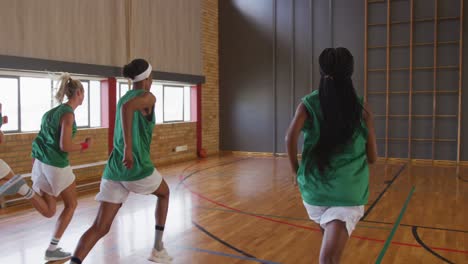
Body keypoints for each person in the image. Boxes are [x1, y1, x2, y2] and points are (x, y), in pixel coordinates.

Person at [70, 59, 172, 264]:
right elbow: (128, 109)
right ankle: (158, 248)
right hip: (136, 167)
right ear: (148, 78)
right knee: (165, 193)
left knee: (100, 227)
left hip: (114, 170)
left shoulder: (124, 96)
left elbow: (126, 107)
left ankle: (75, 262)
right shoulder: (148, 97)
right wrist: (128, 149)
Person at [285, 47, 377, 264]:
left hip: (313, 191)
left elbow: (289, 138)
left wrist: (296, 172)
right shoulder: (361, 108)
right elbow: (373, 157)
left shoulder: (308, 103)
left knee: (330, 250)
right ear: (350, 72)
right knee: (329, 258)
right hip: (347, 192)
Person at [0, 74, 92, 261]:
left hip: (41, 163)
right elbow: (64, 146)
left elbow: (39, 139)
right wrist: (84, 145)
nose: (84, 96)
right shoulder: (68, 114)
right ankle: (52, 247)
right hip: (56, 166)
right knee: (71, 204)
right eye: (84, 93)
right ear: (79, 93)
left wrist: (35, 163)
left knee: (49, 210)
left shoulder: (50, 113)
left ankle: (23, 189)